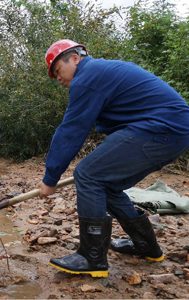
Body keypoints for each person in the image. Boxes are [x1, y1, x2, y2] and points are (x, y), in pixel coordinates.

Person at [36, 39, 189, 278]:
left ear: (75, 58)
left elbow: (72, 130)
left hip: (161, 129)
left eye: (58, 71)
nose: (58, 79)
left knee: (87, 174)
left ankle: (91, 258)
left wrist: (50, 178)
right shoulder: (101, 72)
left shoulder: (87, 77)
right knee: (108, 186)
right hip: (174, 132)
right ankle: (146, 246)